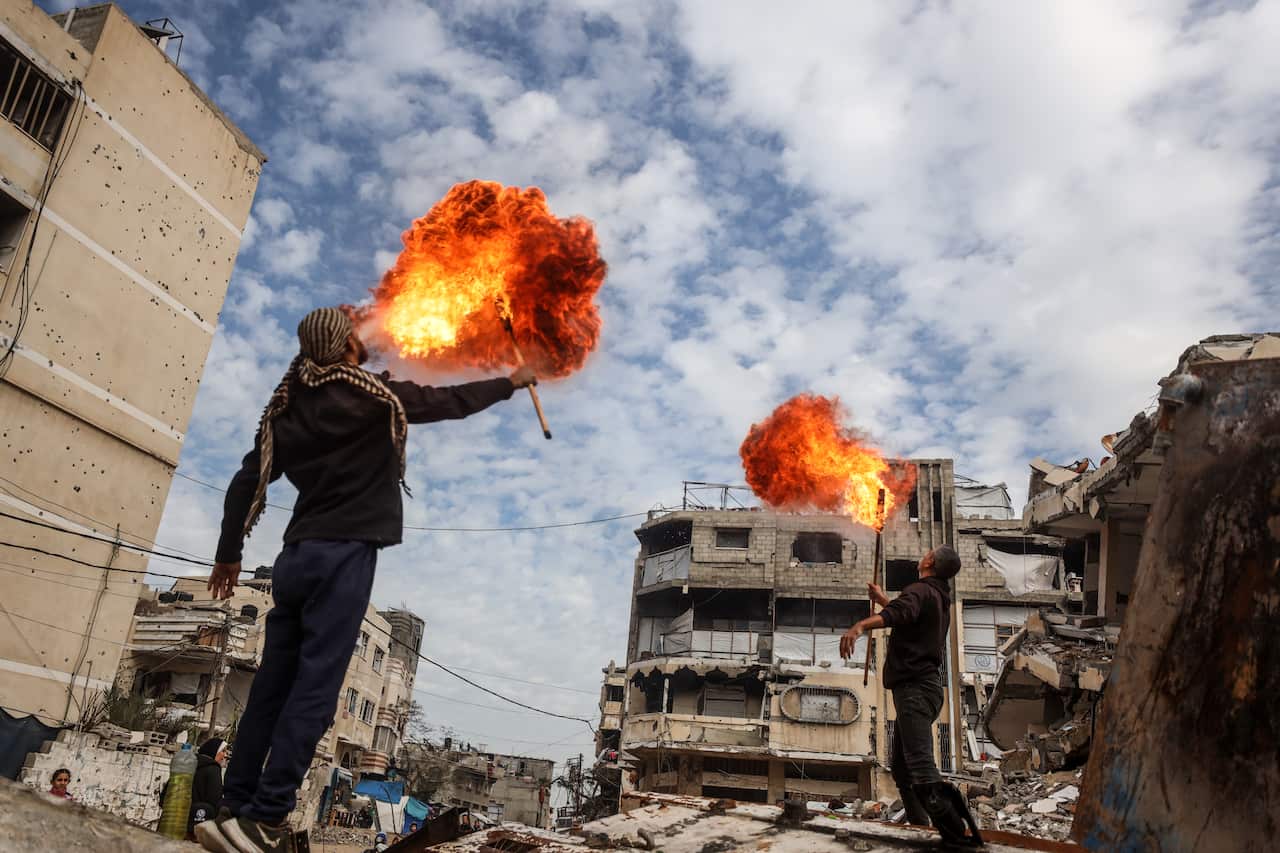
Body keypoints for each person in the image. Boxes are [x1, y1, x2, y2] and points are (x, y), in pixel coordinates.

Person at [195, 307, 535, 853]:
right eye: (354, 331)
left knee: (273, 686)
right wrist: (510, 383)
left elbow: (244, 482)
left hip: (295, 557)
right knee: (315, 689)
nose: (363, 335)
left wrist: (229, 554)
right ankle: (266, 817)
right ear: (342, 345)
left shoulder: (285, 409)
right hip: (343, 554)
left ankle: (235, 806)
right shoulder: (373, 396)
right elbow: (448, 403)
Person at [839, 545, 981, 845]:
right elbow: (908, 616)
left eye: (927, 553)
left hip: (916, 691)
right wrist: (884, 601)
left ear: (929, 561)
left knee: (920, 767)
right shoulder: (938, 595)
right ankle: (921, 827)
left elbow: (901, 613)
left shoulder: (919, 590)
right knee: (902, 768)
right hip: (925, 691)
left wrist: (860, 625)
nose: (923, 555)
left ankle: (956, 837)